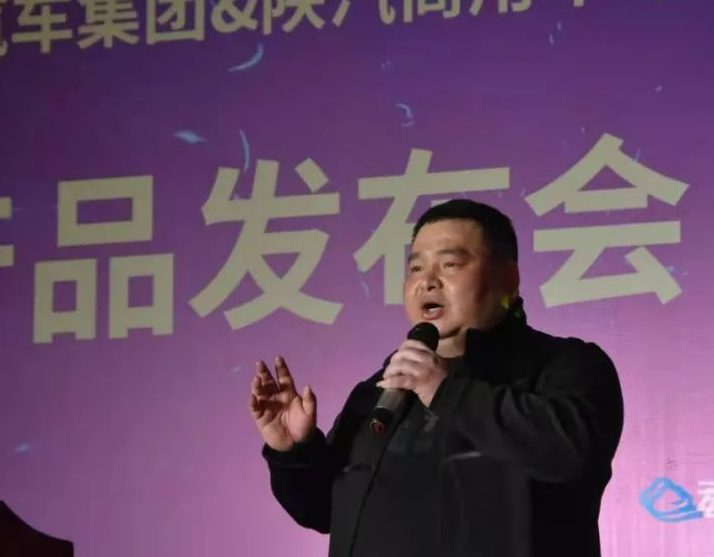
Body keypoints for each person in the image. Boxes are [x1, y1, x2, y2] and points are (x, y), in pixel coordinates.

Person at [248, 199, 624, 557]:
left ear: (509, 279)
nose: (427, 281)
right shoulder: (382, 388)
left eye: (450, 265)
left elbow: (570, 455)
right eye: (415, 268)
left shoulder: (565, 364)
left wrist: (445, 391)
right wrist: (294, 452)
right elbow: (323, 511)